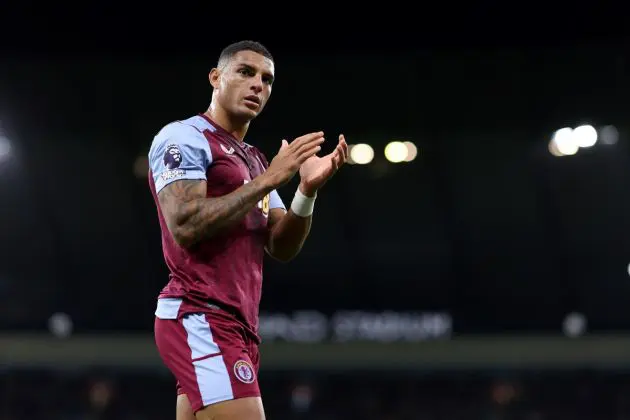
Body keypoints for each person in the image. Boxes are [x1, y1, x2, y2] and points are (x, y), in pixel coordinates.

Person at [148, 40, 348, 420]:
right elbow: (185, 225)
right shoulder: (184, 138)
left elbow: (280, 245)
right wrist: (272, 178)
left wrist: (305, 192)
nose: (258, 84)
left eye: (267, 79)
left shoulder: (254, 160)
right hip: (200, 315)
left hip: (238, 326)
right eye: (245, 72)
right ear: (215, 77)